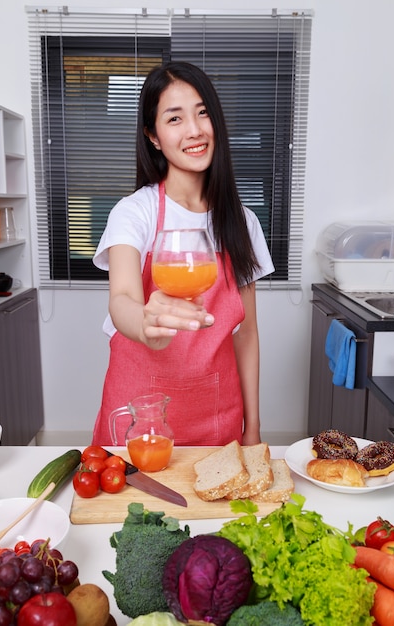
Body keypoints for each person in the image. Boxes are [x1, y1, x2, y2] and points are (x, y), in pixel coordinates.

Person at [92, 61, 274, 447]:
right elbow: (122, 298)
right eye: (174, 119)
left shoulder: (242, 222)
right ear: (153, 136)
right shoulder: (134, 212)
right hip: (139, 417)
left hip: (218, 416)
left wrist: (253, 427)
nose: (194, 130)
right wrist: (144, 322)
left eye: (202, 112)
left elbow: (247, 334)